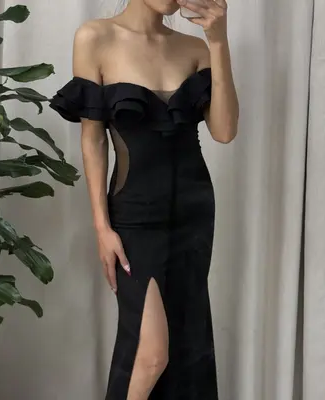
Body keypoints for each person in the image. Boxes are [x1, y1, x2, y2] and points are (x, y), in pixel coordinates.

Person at [50, 0, 238, 398]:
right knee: (150, 354)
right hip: (133, 214)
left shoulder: (195, 48)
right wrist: (101, 226)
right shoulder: (95, 37)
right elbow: (93, 140)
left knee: (188, 343)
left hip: (194, 213)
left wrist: (219, 40)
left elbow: (224, 131)